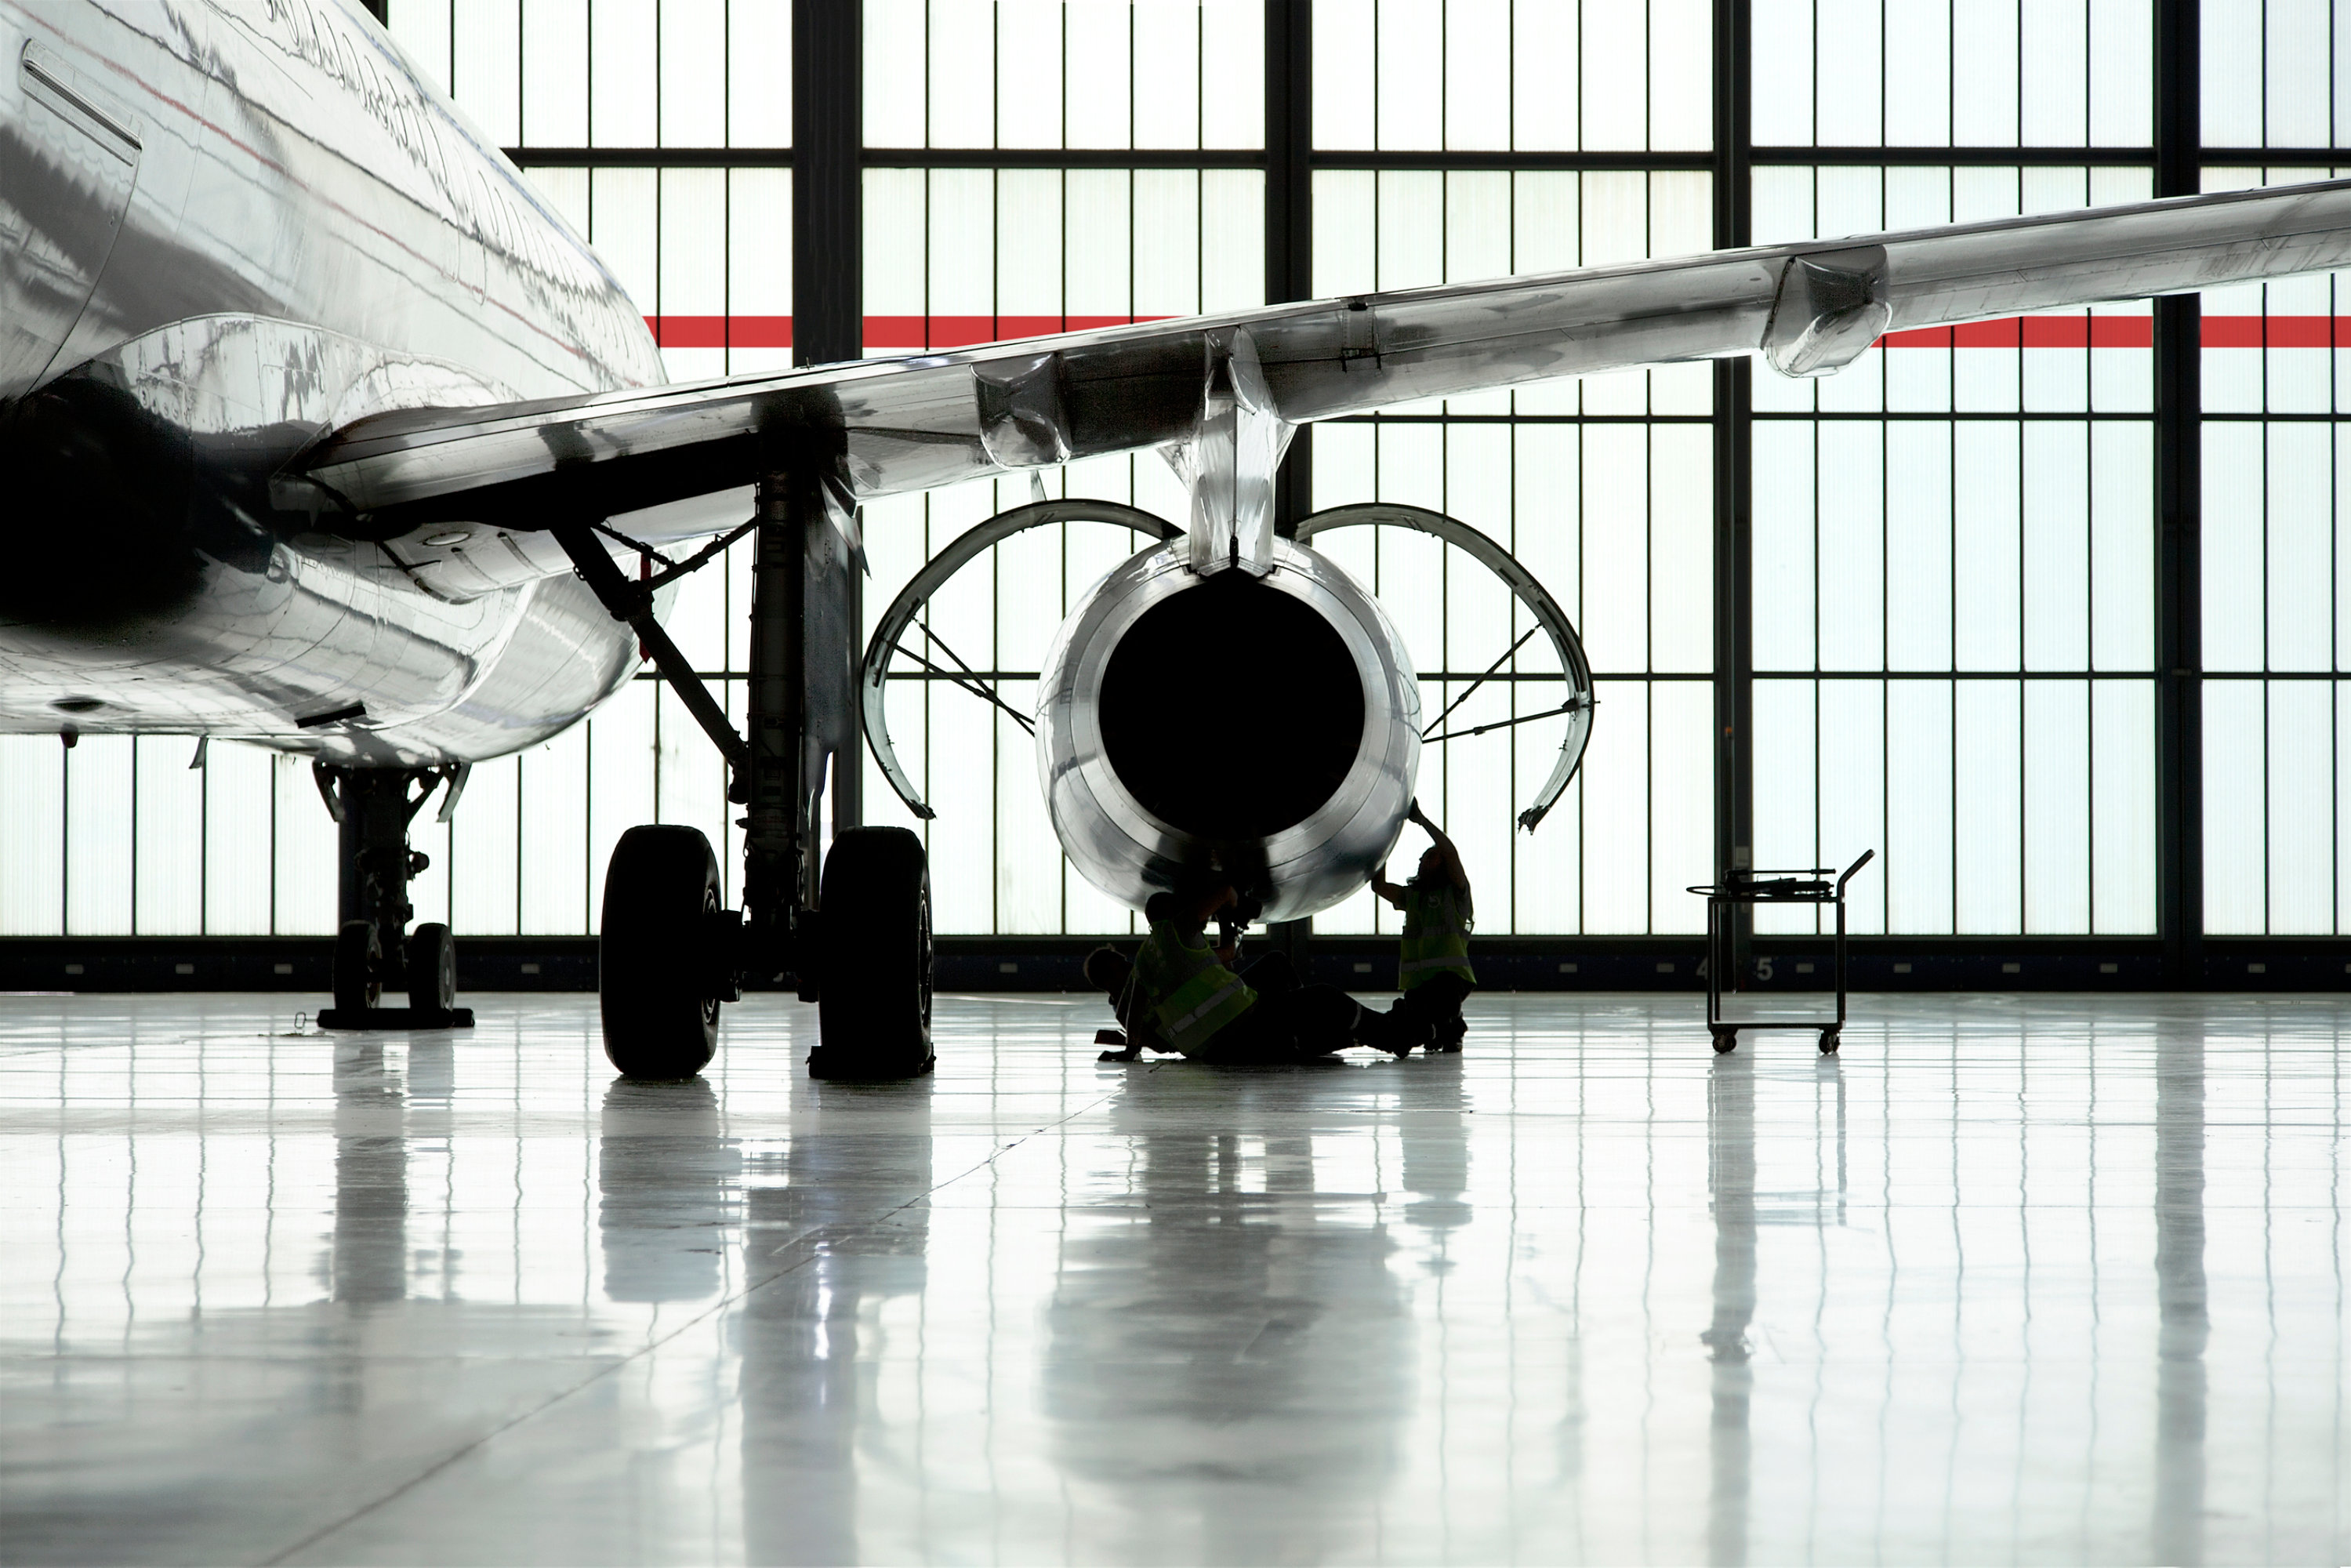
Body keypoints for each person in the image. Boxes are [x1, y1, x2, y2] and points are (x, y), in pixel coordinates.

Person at [1101, 884, 1390, 1062]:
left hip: (1207, 1045)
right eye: (1116, 963)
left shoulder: (1146, 959)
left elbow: (1208, 966)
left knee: (1292, 999)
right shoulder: (1176, 931)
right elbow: (1225, 892)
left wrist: (1130, 1050)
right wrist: (1234, 910)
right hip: (1235, 1020)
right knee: (1323, 997)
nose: (1124, 962)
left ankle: (1350, 1033)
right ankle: (1389, 1032)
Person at [1371, 800, 1476, 1053]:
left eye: (1430, 856)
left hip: (1450, 978)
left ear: (1442, 864)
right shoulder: (1413, 897)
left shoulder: (1456, 893)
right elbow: (1379, 887)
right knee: (1415, 1026)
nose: (1422, 858)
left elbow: (1450, 852)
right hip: (1419, 982)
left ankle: (1452, 1028)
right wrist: (1383, 843)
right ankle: (1439, 1031)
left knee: (1443, 1009)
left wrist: (1422, 821)